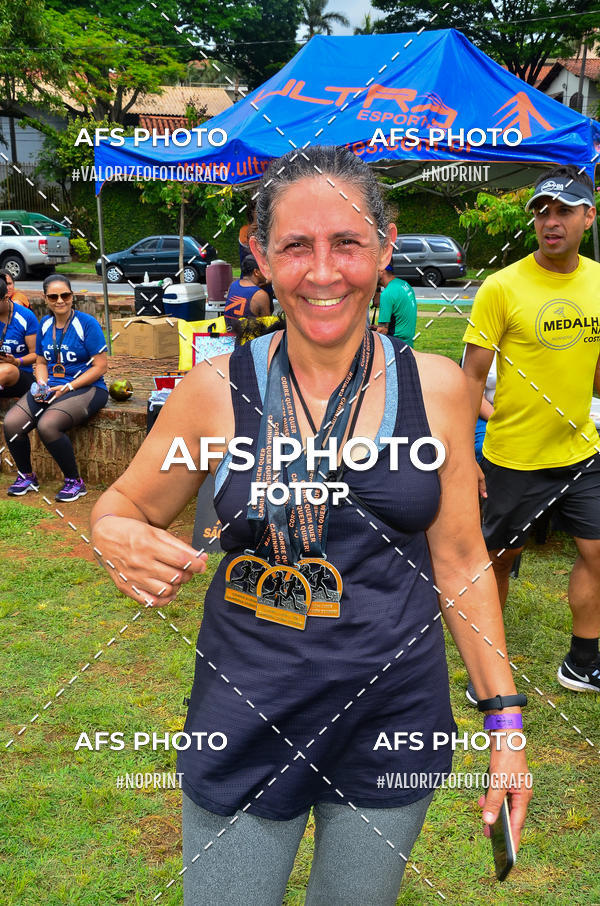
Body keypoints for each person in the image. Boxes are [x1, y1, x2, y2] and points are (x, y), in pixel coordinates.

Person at [90, 147, 530, 906]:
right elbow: (120, 506)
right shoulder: (214, 393)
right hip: (246, 715)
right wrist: (111, 532)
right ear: (260, 256)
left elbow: (461, 558)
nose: (323, 272)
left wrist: (505, 723)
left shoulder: (439, 389)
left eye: (348, 243)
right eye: (297, 245)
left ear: (386, 247)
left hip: (392, 722)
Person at [462, 164, 600, 695]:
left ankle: (582, 661)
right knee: (497, 562)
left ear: (588, 216)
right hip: (513, 457)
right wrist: (464, 453)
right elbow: (471, 376)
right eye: (542, 211)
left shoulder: (595, 282)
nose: (551, 221)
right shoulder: (502, 286)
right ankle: (488, 673)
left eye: (564, 210)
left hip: (581, 451)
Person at [3, 275, 108, 501]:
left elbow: (100, 367)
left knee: (47, 425)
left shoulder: (86, 323)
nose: (60, 300)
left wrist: (69, 386)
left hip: (88, 387)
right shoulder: (45, 324)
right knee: (12, 423)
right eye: (54, 296)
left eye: (65, 295)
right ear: (46, 299)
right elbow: (40, 362)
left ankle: (74, 482)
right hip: (52, 387)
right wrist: (41, 382)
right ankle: (27, 476)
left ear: (72, 296)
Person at [0, 276, 38, 399]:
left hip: (20, 375)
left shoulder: (25, 317)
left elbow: (36, 354)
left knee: (6, 370)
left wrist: (17, 361)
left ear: (5, 298)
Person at [376, 263, 417, 346]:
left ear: (381, 271)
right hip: (407, 343)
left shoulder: (387, 294)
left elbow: (382, 330)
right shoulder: (404, 284)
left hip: (396, 345)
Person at [224, 254, 272, 322]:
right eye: (264, 269)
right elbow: (268, 325)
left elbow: (246, 293)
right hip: (249, 332)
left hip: (229, 331)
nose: (268, 271)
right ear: (256, 272)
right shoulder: (260, 295)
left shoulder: (233, 285)